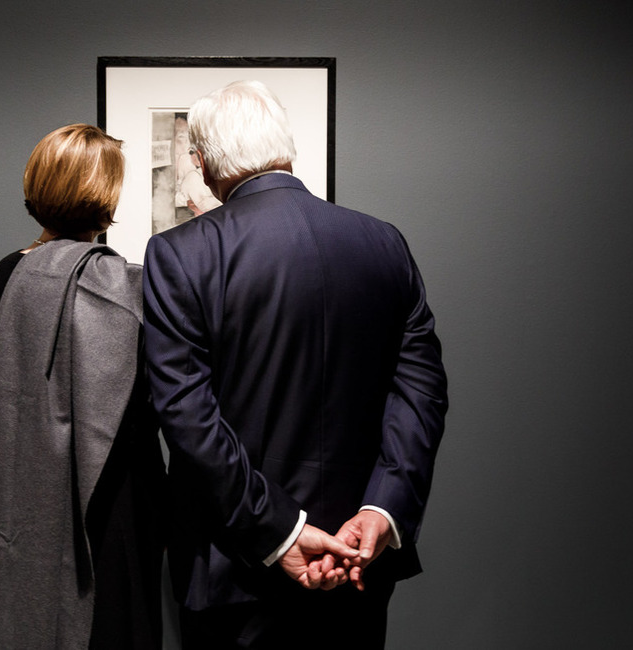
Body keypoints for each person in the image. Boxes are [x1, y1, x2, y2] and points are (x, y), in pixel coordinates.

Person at [142, 80, 448, 649]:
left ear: (205, 166)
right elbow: (422, 395)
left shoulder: (181, 254)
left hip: (234, 566)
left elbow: (187, 416)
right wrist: (383, 509)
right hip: (359, 558)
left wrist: (282, 529)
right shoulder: (385, 244)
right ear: (286, 148)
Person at [0, 124, 165, 650]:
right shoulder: (132, 287)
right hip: (121, 498)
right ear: (108, 197)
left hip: (30, 495)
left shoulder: (5, 278)